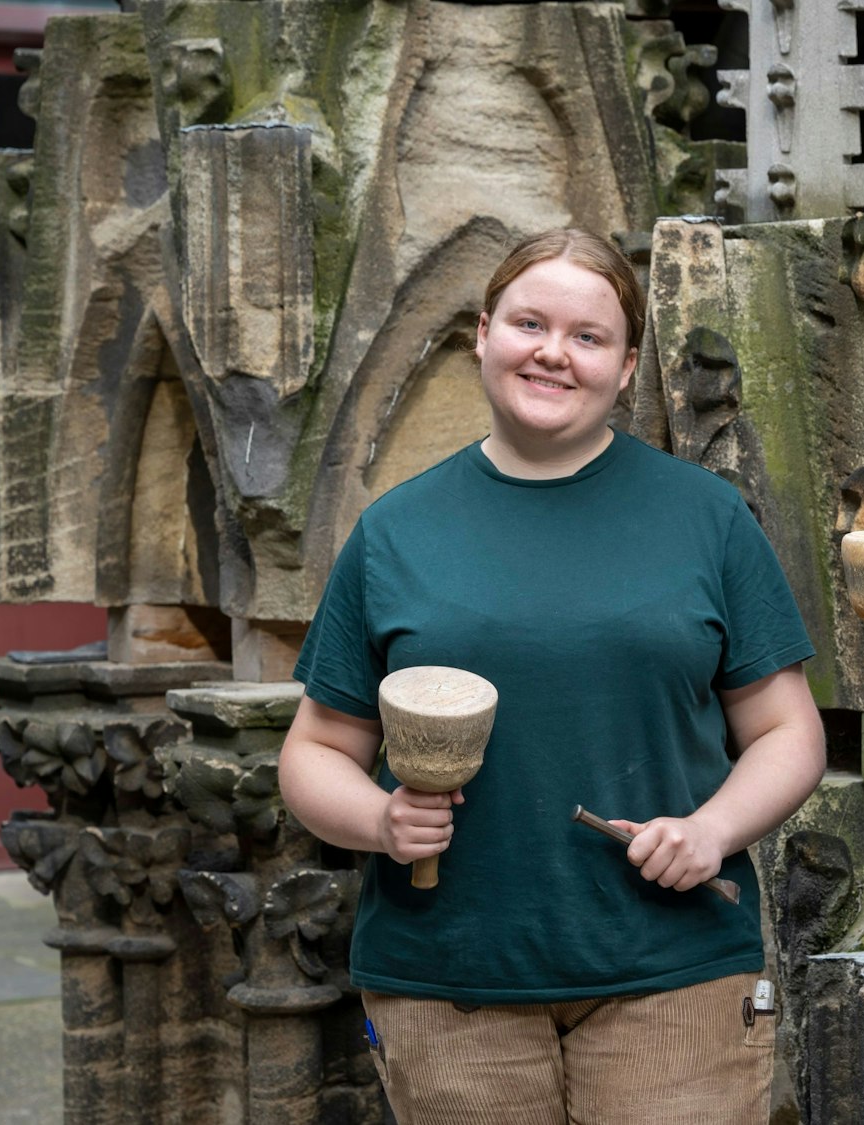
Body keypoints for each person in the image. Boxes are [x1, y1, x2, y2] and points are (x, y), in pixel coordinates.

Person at [278, 228, 824, 1125]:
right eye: (530, 322)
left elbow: (787, 731)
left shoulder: (707, 519)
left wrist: (713, 828)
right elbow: (316, 752)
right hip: (449, 978)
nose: (552, 353)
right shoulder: (395, 531)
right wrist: (379, 819)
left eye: (587, 335)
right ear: (483, 334)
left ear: (627, 364)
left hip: (671, 967)